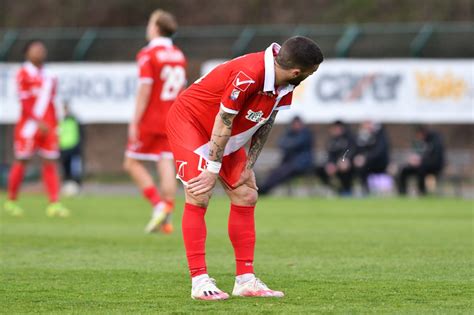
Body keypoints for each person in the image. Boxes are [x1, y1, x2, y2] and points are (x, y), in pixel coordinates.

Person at [166, 36, 323, 300]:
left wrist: (248, 165)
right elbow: (224, 118)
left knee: (246, 193)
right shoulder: (249, 74)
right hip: (191, 123)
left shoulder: (285, 81)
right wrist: (212, 168)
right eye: (311, 72)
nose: (309, 76)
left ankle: (245, 280)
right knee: (199, 193)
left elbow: (266, 121)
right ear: (298, 71)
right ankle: (199, 280)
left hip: (224, 132)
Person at [123, 10, 186, 234]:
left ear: (156, 27)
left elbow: (145, 88)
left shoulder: (148, 54)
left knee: (131, 162)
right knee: (165, 162)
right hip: (172, 118)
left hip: (151, 118)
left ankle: (158, 205)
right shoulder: (178, 54)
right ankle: (167, 217)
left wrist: (135, 120)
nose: (147, 27)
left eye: (150, 23)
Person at [4, 40, 70, 217]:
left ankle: (54, 203)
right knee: (22, 160)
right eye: (36, 49)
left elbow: (53, 101)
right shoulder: (22, 73)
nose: (40, 52)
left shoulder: (50, 76)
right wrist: (36, 120)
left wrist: (55, 121)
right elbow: (24, 102)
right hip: (29, 126)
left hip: (48, 127)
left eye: (42, 49)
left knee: (50, 162)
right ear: (27, 53)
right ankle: (11, 201)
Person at [259, 116, 314, 195]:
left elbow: (295, 144)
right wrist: (290, 143)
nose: (296, 126)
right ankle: (264, 188)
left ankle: (264, 189)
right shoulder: (290, 133)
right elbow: (281, 143)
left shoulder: (305, 134)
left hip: (302, 164)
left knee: (282, 172)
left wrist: (289, 144)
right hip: (290, 163)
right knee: (275, 172)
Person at [397, 125, 445, 195]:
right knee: (404, 170)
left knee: (421, 169)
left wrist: (420, 161)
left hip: (434, 166)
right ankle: (402, 192)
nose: (419, 137)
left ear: (422, 133)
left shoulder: (435, 141)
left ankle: (422, 192)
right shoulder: (423, 141)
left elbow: (435, 158)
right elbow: (419, 154)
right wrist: (414, 160)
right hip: (422, 164)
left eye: (419, 135)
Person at [315, 120, 356, 195]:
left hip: (347, 163)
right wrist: (330, 164)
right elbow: (330, 154)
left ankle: (347, 189)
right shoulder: (332, 141)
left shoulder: (349, 138)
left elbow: (351, 151)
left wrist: (344, 159)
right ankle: (335, 188)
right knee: (319, 169)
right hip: (335, 164)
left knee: (345, 168)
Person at [353, 121, 390, 194]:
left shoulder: (380, 135)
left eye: (368, 124)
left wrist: (365, 158)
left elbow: (379, 151)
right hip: (366, 163)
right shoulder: (361, 137)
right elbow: (356, 150)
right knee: (357, 166)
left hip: (379, 163)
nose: (367, 126)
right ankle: (364, 188)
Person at [59, 101, 84, 195]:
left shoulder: (74, 119)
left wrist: (78, 146)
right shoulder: (60, 120)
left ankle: (78, 187)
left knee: (76, 169)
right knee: (65, 169)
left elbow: (80, 134)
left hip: (74, 148)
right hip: (63, 148)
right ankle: (66, 186)